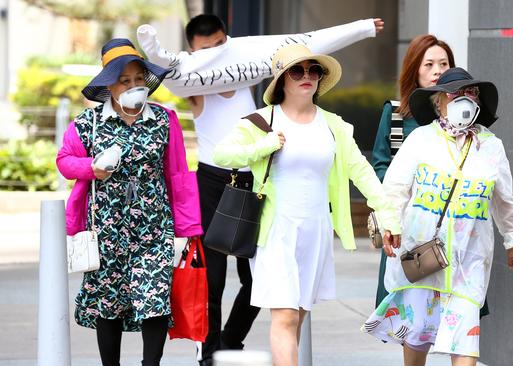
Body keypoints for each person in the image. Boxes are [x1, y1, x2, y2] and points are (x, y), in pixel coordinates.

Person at [138, 14, 386, 365]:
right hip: (214, 181)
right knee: (213, 277)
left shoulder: (249, 76)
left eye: (220, 47)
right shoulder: (194, 88)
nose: (215, 56)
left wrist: (360, 28)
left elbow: (303, 43)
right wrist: (156, 52)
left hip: (256, 184)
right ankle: (209, 352)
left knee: (258, 285)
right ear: (192, 53)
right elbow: (165, 74)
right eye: (205, 51)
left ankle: (230, 340)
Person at [213, 43, 401, 366]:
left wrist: (389, 216)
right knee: (284, 317)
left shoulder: (334, 126)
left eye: (314, 71)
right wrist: (263, 146)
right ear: (282, 79)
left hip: (315, 231)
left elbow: (362, 172)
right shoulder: (262, 121)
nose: (307, 77)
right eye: (297, 71)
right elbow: (222, 154)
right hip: (276, 232)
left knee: (296, 319)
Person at [362, 67, 513, 366]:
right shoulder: (421, 139)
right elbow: (395, 187)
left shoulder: (491, 146)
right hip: (423, 256)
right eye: (456, 93)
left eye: (471, 93)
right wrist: (390, 224)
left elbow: (504, 200)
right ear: (439, 101)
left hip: (469, 260)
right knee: (417, 338)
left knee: (466, 340)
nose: (465, 98)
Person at [56, 39, 202, 366]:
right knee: (108, 303)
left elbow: (178, 174)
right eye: (126, 80)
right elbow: (64, 161)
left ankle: (151, 364)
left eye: (139, 79)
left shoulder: (165, 120)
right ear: (110, 85)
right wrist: (91, 168)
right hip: (105, 229)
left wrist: (188, 226)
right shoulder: (89, 123)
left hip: (155, 228)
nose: (135, 86)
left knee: (155, 300)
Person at [371, 34, 455, 308]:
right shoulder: (395, 114)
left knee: (450, 304)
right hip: (406, 223)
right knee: (408, 304)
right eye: (429, 64)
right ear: (414, 69)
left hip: (450, 222)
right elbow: (381, 164)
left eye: (443, 64)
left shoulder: (460, 118)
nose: (437, 71)